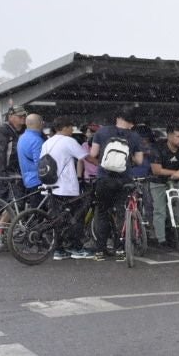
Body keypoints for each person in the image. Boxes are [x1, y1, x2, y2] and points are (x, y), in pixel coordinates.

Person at [87, 110, 146, 259]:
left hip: (104, 178)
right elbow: (139, 161)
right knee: (122, 212)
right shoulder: (134, 136)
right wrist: (130, 158)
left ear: (117, 118)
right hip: (124, 180)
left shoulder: (102, 132)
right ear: (131, 122)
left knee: (102, 212)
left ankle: (100, 251)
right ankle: (120, 249)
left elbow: (93, 154)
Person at [36, 118, 92, 258]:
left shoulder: (47, 142)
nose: (72, 130)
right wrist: (102, 165)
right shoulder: (68, 141)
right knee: (76, 217)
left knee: (57, 218)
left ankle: (58, 249)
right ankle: (75, 248)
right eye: (71, 127)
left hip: (50, 186)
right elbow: (85, 157)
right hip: (66, 187)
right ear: (64, 127)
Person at [147, 125, 179, 245]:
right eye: (178, 136)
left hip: (175, 181)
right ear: (169, 136)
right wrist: (177, 173)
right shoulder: (157, 148)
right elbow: (156, 170)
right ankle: (161, 239)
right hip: (158, 182)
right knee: (160, 210)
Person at [16, 112, 46, 196]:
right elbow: (40, 164)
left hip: (27, 179)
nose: (43, 123)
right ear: (40, 123)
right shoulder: (37, 140)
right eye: (42, 121)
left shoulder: (22, 137)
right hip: (37, 181)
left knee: (34, 203)